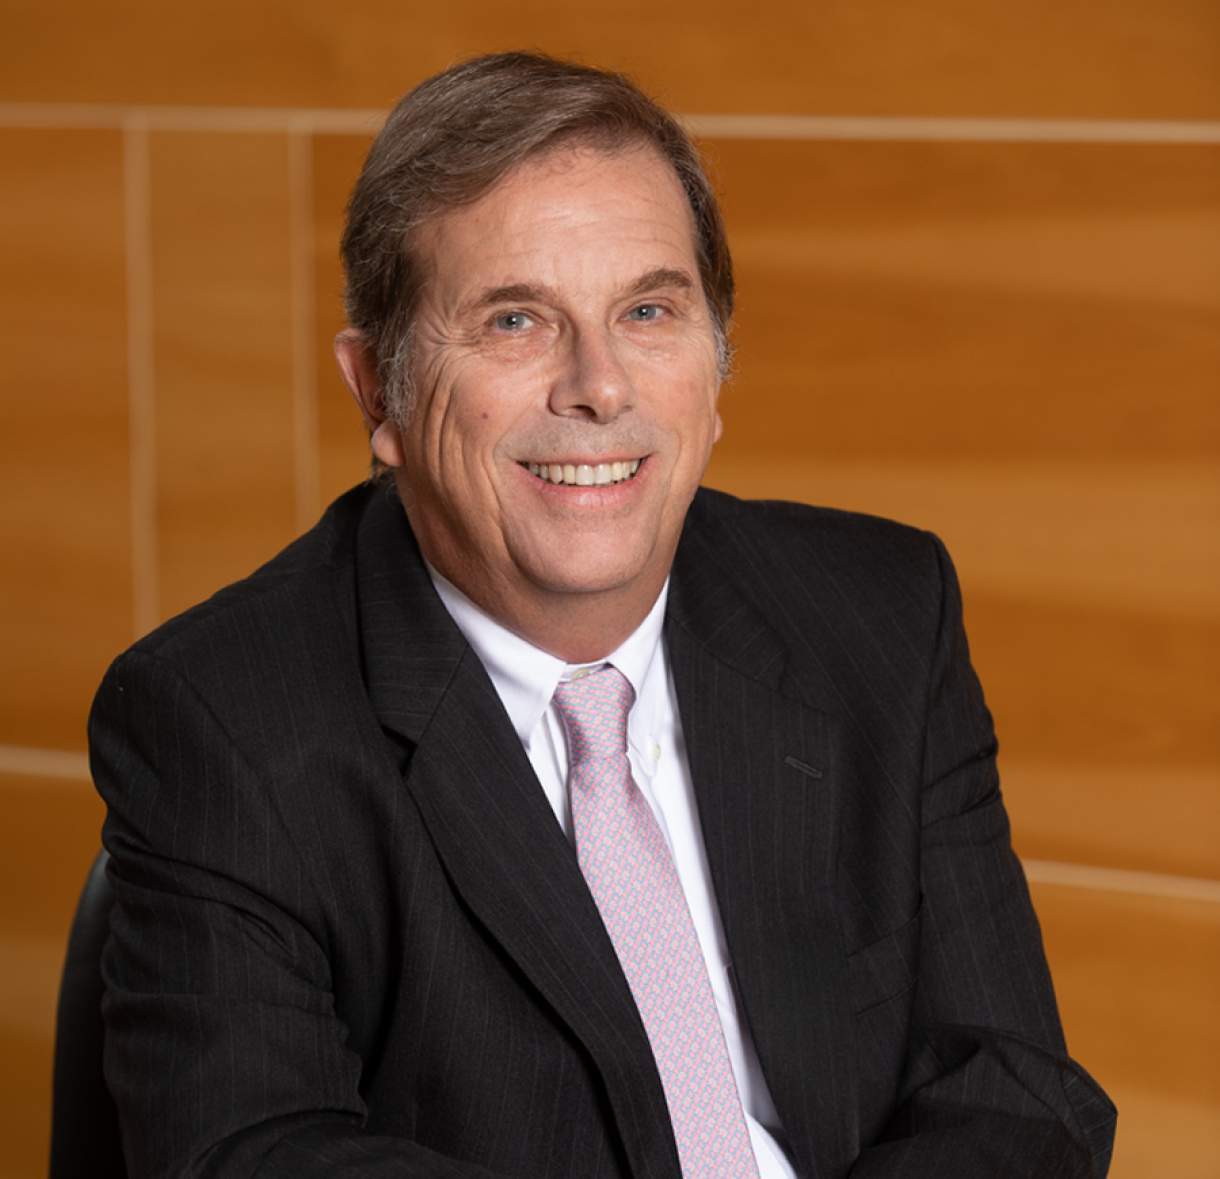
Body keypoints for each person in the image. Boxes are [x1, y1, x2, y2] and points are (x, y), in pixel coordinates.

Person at [88, 51, 1116, 1179]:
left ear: (715, 368)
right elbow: (248, 1154)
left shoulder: (880, 613)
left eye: (647, 310)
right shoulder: (222, 719)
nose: (600, 385)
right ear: (379, 390)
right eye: (515, 320)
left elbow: (1014, 1087)